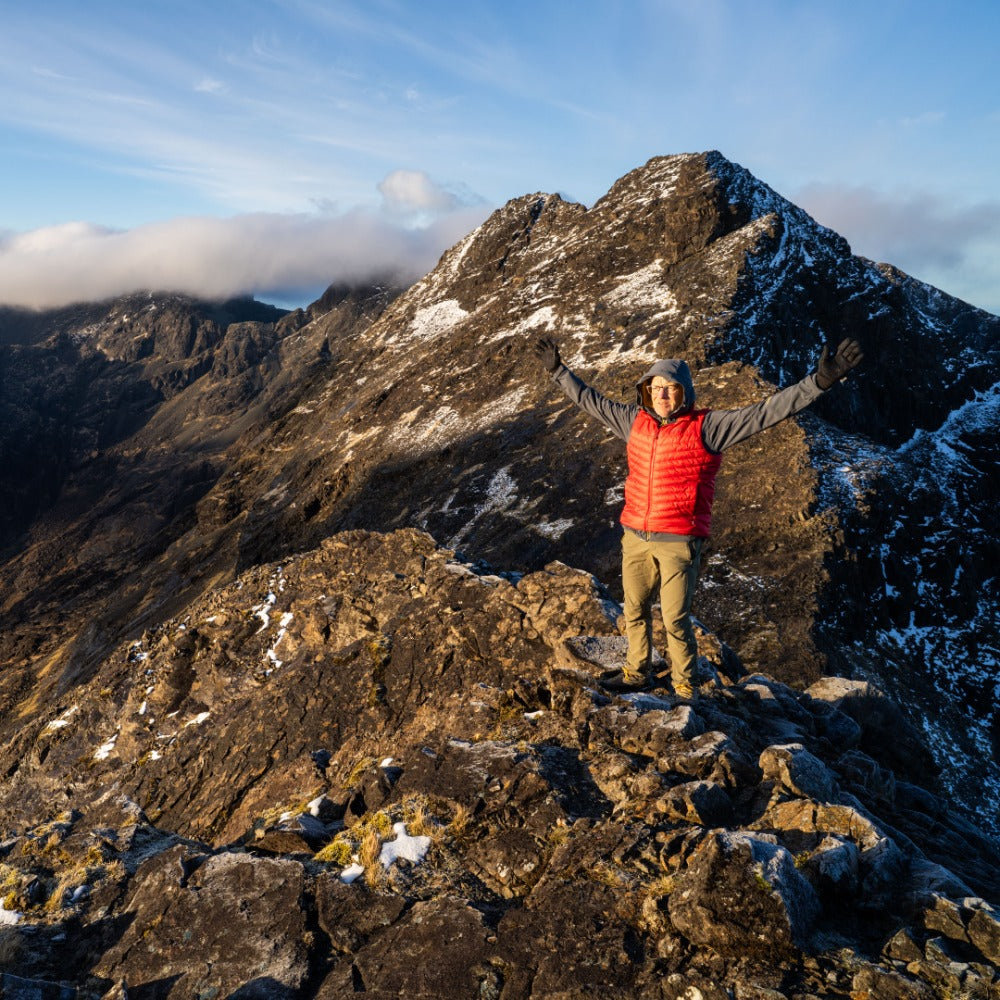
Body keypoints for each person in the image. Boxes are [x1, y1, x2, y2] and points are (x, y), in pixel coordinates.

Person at [533, 335, 863, 698]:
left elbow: (766, 412)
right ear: (646, 392)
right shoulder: (632, 421)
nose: (661, 395)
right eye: (655, 388)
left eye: (670, 389)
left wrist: (819, 382)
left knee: (675, 618)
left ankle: (685, 687)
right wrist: (558, 371)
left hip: (678, 539)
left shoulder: (707, 428)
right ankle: (635, 673)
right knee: (635, 610)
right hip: (635, 536)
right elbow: (589, 400)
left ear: (684, 394)